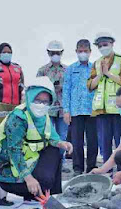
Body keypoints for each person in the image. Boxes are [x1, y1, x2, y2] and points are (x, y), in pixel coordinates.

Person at [0, 77, 73, 205]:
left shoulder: (43, 116)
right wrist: (29, 178)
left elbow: (51, 138)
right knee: (39, 182)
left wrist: (62, 143)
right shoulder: (18, 118)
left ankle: (46, 192)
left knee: (55, 151)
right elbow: (14, 151)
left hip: (29, 158)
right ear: (29, 97)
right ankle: (1, 186)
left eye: (45, 102)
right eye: (37, 100)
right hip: (5, 163)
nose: (41, 105)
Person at [87, 32, 121, 165]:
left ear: (112, 44)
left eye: (105, 44)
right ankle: (107, 170)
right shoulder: (96, 63)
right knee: (104, 142)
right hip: (102, 110)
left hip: (119, 109)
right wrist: (101, 74)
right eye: (100, 45)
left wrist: (108, 73)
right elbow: (90, 85)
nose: (103, 47)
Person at [62, 39, 98, 176]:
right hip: (76, 111)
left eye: (85, 51)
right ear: (76, 51)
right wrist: (66, 110)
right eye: (80, 51)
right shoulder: (71, 69)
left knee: (92, 140)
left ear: (90, 52)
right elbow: (66, 90)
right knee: (77, 141)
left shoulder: (95, 68)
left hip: (92, 110)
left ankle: (92, 167)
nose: (83, 53)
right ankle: (77, 168)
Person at [36, 40, 70, 173]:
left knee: (62, 136)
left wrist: (63, 87)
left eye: (58, 52)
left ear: (61, 53)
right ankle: (46, 162)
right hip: (47, 110)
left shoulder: (68, 70)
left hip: (63, 109)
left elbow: (71, 89)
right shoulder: (42, 71)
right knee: (47, 136)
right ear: (48, 53)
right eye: (53, 53)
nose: (55, 55)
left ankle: (61, 162)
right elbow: (37, 90)